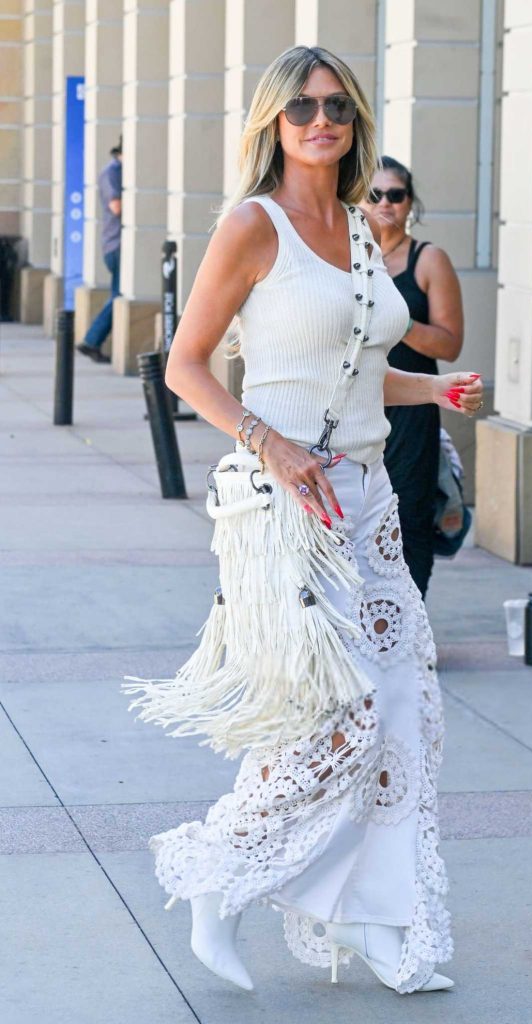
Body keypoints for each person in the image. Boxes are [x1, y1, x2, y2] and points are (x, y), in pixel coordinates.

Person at [125, 46, 483, 994]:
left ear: (354, 119)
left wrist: (437, 387)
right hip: (288, 509)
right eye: (300, 109)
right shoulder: (256, 225)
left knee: (408, 715)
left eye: (335, 106)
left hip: (369, 505)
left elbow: (363, 372)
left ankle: (371, 919)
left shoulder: (362, 231)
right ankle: (218, 877)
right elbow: (185, 364)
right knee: (338, 719)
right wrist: (271, 443)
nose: (320, 120)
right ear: (274, 124)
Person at [362, 158, 464, 597]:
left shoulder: (428, 259)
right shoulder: (345, 254)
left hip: (414, 408)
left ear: (409, 204)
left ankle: (409, 627)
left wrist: (397, 322)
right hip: (357, 402)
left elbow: (449, 344)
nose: (385, 203)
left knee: (407, 516)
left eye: (396, 195)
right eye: (375, 194)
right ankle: (365, 628)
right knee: (357, 517)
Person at [77, 137, 122, 363]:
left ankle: (92, 340)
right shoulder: (112, 171)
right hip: (117, 243)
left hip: (116, 243)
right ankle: (91, 340)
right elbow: (116, 206)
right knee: (119, 294)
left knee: (118, 293)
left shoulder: (116, 170)